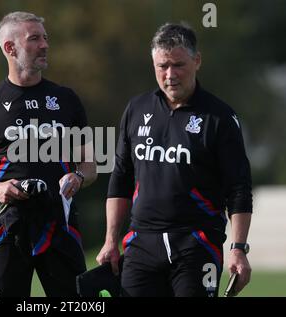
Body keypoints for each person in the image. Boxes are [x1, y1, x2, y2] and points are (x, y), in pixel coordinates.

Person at [96, 22, 252, 297]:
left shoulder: (220, 118)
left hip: (196, 243)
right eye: (162, 66)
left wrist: (238, 249)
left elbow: (238, 189)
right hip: (141, 244)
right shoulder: (136, 109)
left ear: (197, 60)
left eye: (178, 65)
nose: (170, 75)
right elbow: (120, 178)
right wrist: (110, 240)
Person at [0, 11, 97, 297]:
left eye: (45, 38)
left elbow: (91, 164)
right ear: (10, 48)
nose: (45, 45)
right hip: (7, 228)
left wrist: (78, 177)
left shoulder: (67, 99)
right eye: (35, 39)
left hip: (60, 225)